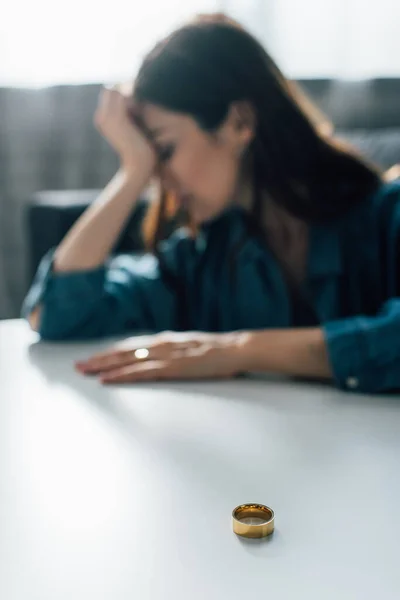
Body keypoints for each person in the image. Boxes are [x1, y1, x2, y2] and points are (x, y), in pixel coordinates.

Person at [23, 14, 400, 394]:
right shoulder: (203, 259)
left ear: (239, 122)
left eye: (164, 150)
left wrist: (239, 350)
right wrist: (132, 173)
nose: (159, 179)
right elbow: (55, 315)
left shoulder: (386, 215)